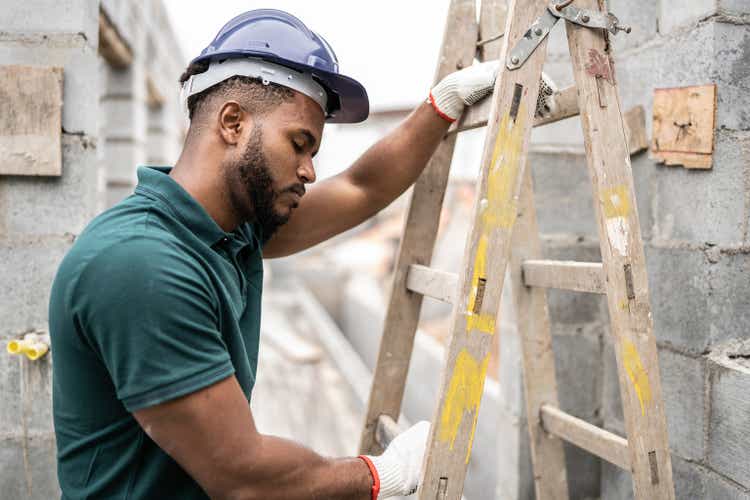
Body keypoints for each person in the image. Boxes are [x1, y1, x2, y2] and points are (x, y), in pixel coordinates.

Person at [49, 8, 509, 499]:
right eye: (299, 143)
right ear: (232, 122)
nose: (310, 170)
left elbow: (360, 187)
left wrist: (444, 102)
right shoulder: (142, 264)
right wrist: (385, 473)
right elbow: (243, 476)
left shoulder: (225, 233)